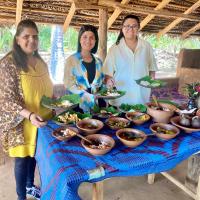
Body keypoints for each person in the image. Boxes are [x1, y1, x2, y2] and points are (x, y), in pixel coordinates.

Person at [0, 19, 53, 200]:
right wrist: (29, 115)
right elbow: (5, 98)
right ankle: (21, 196)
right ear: (17, 39)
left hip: (42, 119)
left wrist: (55, 102)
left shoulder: (40, 61)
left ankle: (30, 187)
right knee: (22, 160)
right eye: (26, 36)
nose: (32, 40)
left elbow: (47, 87)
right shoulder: (8, 63)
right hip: (22, 122)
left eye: (35, 36)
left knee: (34, 156)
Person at [103, 14, 158, 107]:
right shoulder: (114, 48)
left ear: (138, 28)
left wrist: (151, 82)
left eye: (134, 26)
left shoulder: (146, 46)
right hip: (120, 98)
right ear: (122, 28)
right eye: (127, 26)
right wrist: (108, 80)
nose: (131, 28)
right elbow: (107, 74)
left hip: (141, 97)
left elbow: (152, 69)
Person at [63, 25, 104, 112]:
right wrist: (87, 96)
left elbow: (101, 84)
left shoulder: (99, 62)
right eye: (85, 37)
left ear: (95, 41)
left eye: (92, 38)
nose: (88, 41)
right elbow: (68, 84)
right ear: (80, 39)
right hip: (77, 108)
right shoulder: (71, 60)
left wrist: (108, 83)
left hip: (96, 108)